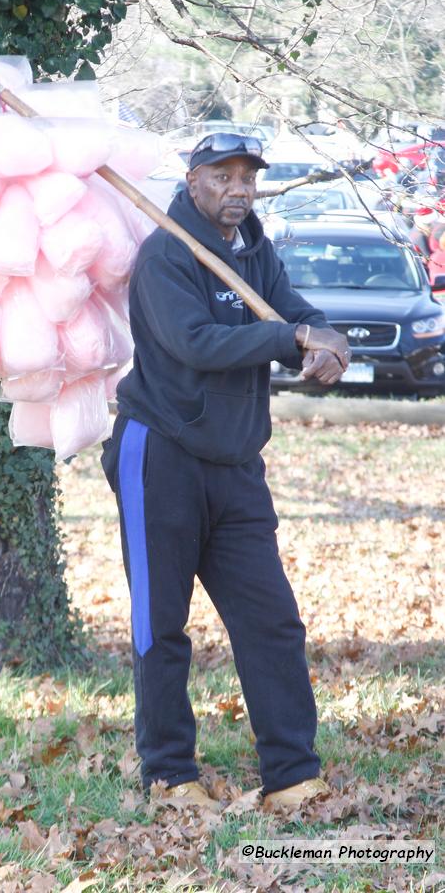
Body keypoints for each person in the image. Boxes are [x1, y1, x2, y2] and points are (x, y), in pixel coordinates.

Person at [101, 132, 351, 813]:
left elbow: (295, 314)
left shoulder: (251, 252)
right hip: (159, 455)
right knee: (162, 624)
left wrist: (327, 339)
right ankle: (168, 776)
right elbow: (196, 343)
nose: (237, 189)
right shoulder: (164, 257)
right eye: (222, 176)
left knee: (271, 620)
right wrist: (288, 339)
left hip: (236, 464)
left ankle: (292, 778)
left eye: (246, 178)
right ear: (191, 180)